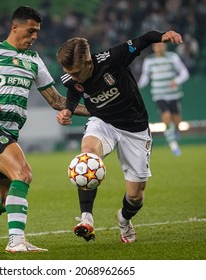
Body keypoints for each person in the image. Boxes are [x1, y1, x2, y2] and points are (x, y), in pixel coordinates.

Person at [0, 6, 88, 253]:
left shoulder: (34, 60)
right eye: (31, 30)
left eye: (37, 32)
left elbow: (56, 101)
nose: (34, 37)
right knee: (23, 173)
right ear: (15, 27)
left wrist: (97, 110)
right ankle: (16, 241)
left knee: (5, 201)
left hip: (8, 134)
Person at [56, 30, 183, 243]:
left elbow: (143, 40)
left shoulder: (113, 58)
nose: (73, 76)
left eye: (77, 72)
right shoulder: (72, 75)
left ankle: (124, 219)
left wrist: (163, 35)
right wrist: (68, 109)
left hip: (134, 128)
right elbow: (74, 89)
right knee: (87, 156)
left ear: (89, 62)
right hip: (103, 122)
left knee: (135, 195)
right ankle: (86, 218)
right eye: (70, 72)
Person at [138, 42, 189, 156]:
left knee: (177, 121)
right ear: (154, 47)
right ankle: (173, 145)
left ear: (165, 46)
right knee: (166, 117)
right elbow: (145, 77)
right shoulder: (149, 60)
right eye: (157, 46)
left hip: (174, 94)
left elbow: (185, 73)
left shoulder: (173, 57)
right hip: (159, 94)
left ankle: (175, 132)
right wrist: (137, 86)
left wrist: (176, 81)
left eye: (162, 45)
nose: (160, 48)